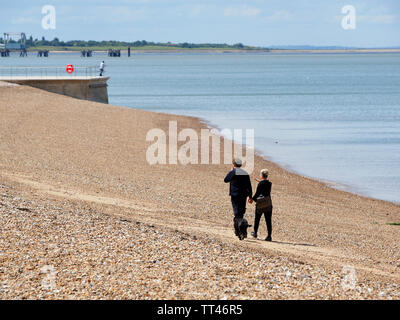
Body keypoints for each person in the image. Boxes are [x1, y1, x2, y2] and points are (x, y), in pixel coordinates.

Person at [224, 158, 253, 240]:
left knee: (237, 214)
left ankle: (239, 232)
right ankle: (240, 231)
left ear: (234, 164)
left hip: (235, 195)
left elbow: (226, 180)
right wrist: (250, 196)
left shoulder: (233, 172)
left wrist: (231, 171)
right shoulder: (245, 173)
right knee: (241, 213)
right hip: (243, 195)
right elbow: (249, 186)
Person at [248, 169, 273, 241]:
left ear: (261, 175)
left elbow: (257, 193)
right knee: (268, 220)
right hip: (268, 203)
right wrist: (258, 180)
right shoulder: (269, 183)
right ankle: (269, 236)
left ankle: (255, 233)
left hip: (261, 204)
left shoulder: (261, 184)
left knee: (257, 218)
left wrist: (251, 199)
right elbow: (264, 183)